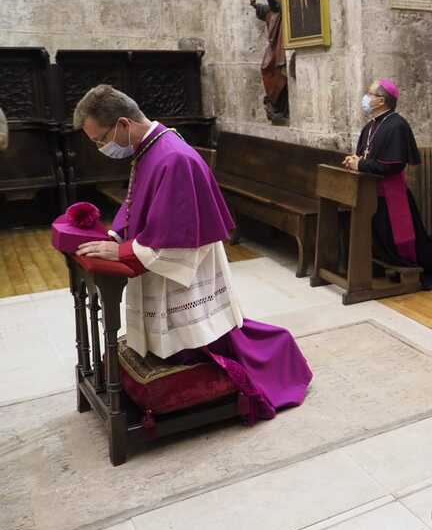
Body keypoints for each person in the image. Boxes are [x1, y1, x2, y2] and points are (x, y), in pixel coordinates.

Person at [73, 85, 312, 423]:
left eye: (100, 140)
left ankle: (274, 360)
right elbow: (136, 198)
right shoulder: (149, 146)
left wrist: (122, 250)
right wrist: (116, 233)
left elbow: (177, 241)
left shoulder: (174, 158)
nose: (101, 148)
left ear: (123, 124)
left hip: (190, 267)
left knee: (199, 342)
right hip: (166, 254)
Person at [342, 79, 432, 290]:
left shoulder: (397, 125)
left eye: (370, 93)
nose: (365, 97)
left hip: (391, 195)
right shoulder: (371, 125)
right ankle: (389, 266)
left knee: (404, 243)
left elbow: (392, 165)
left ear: (381, 100)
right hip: (370, 193)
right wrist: (354, 161)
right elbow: (364, 157)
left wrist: (361, 164)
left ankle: (417, 265)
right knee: (382, 239)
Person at [249, 0, 289, 122]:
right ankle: (275, 106)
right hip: (274, 46)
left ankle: (282, 109)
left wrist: (280, 0)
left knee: (281, 73)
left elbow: (294, 10)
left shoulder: (286, 4)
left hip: (283, 45)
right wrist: (255, 5)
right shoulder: (272, 12)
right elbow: (267, 10)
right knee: (266, 68)